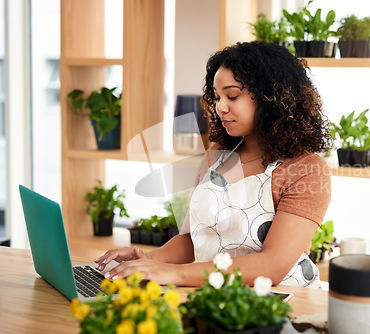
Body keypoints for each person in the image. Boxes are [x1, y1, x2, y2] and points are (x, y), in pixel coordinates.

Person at [95, 41, 332, 288]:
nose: (220, 107)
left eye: (232, 96)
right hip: (214, 295)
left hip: (281, 301)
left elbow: (271, 266)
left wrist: (173, 274)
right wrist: (146, 260)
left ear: (271, 98)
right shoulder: (218, 154)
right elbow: (191, 240)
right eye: (217, 97)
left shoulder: (307, 170)